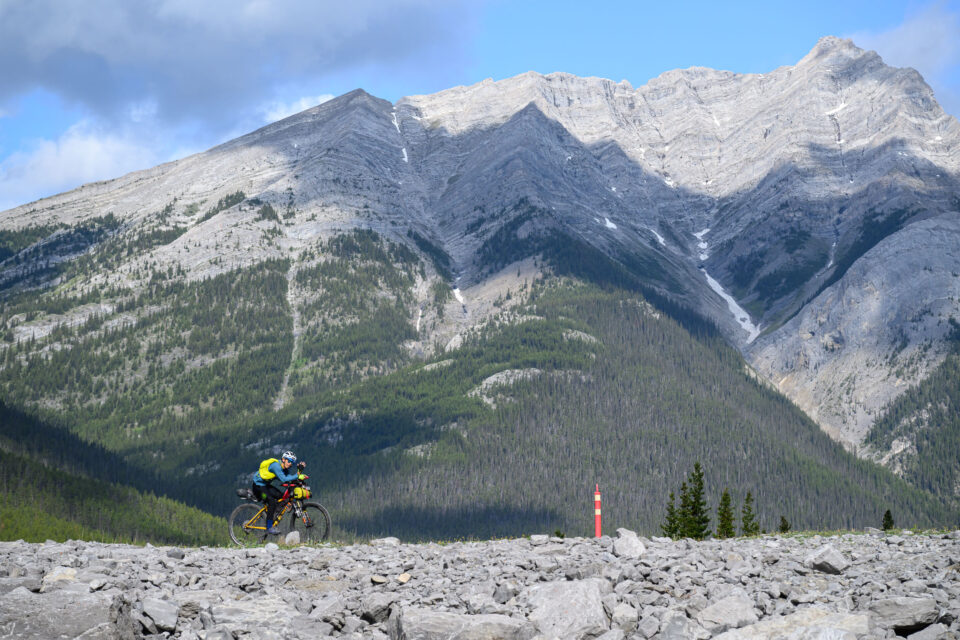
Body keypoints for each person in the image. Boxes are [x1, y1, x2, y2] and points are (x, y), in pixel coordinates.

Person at [251, 450, 306, 534]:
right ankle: (269, 527)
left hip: (265, 485)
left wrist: (299, 473)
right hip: (258, 486)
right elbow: (284, 479)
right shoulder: (275, 466)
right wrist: (298, 475)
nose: (290, 463)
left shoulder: (285, 468)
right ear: (283, 459)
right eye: (289, 461)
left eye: (292, 462)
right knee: (271, 501)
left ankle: (272, 514)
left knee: (281, 496)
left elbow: (289, 478)